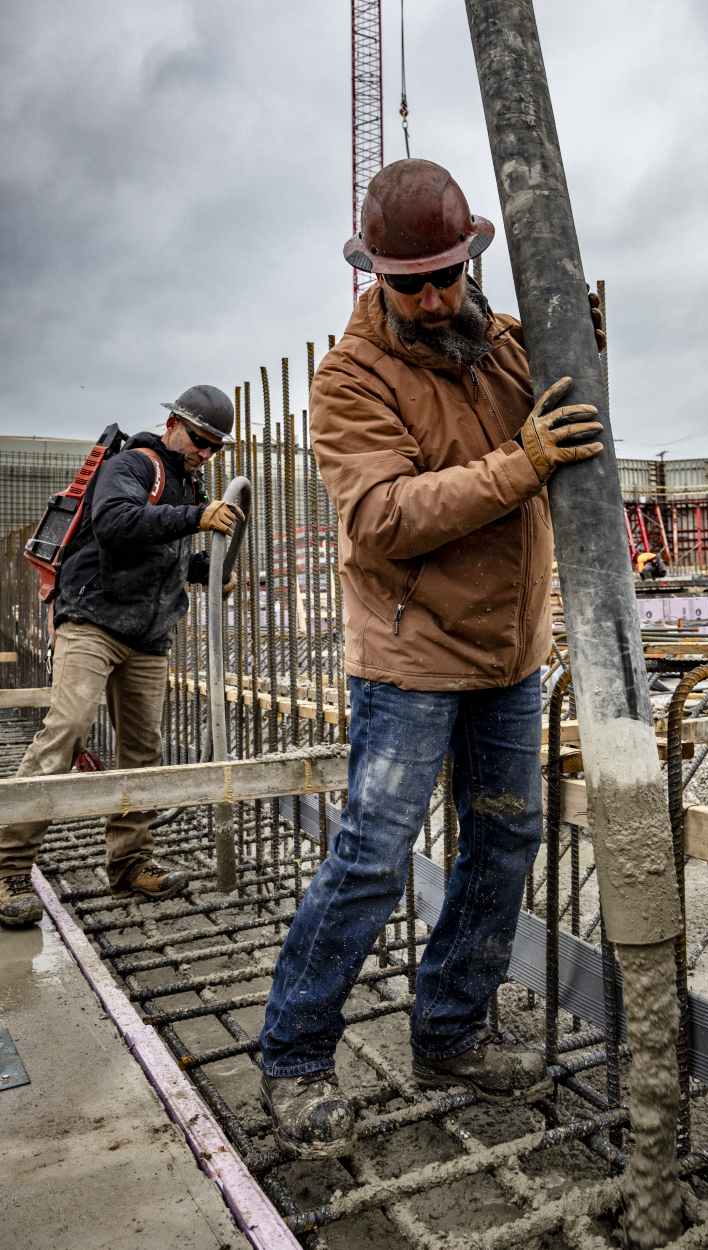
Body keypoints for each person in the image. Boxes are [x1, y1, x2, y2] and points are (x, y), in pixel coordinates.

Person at [258, 158, 605, 1159]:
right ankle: (293, 1055)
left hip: (504, 654)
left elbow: (569, 400)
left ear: (469, 258)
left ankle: (450, 1028)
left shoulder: (499, 348)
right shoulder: (351, 376)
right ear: (375, 274)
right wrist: (522, 462)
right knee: (372, 856)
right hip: (410, 655)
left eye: (446, 274)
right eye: (409, 282)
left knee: (502, 842)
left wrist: (581, 340)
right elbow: (379, 517)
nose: (432, 296)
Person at [0, 386, 243, 928]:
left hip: (149, 635)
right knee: (67, 728)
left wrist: (209, 571)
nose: (205, 453)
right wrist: (198, 517)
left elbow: (164, 554)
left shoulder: (188, 482)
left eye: (214, 448)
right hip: (94, 621)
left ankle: (129, 862)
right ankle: (8, 867)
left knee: (142, 751)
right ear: (175, 424)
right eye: (200, 440)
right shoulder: (135, 465)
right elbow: (115, 524)